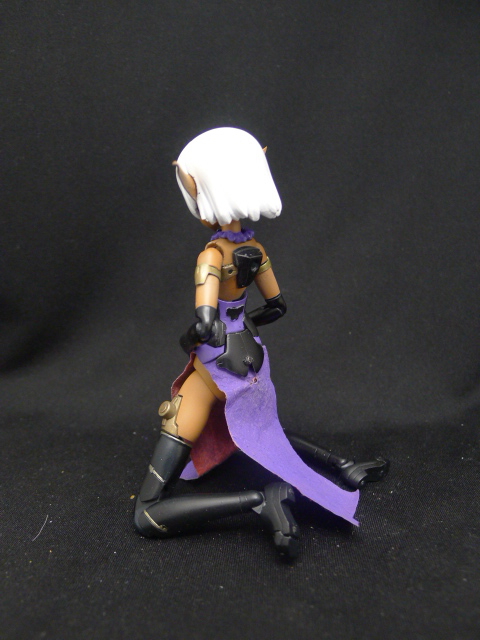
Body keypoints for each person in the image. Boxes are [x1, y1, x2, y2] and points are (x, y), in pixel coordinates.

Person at [133, 127, 359, 558]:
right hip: (252, 356)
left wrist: (189, 340)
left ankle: (258, 501)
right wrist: (243, 324)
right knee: (258, 429)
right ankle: (341, 466)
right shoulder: (256, 248)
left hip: (214, 364)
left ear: (202, 187)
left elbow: (203, 324)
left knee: (147, 513)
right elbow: (277, 306)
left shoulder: (212, 255)